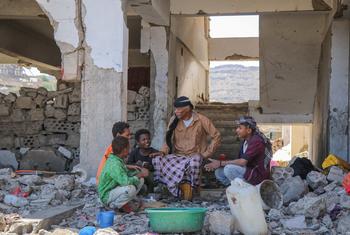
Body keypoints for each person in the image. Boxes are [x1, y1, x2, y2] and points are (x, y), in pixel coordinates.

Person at [152, 96, 221, 200]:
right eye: (175, 109)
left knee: (195, 160)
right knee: (157, 159)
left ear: (188, 108)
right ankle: (168, 189)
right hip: (178, 156)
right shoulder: (174, 119)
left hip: (195, 156)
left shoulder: (201, 119)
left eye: (179, 109)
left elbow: (216, 136)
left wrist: (206, 154)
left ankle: (194, 191)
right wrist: (162, 152)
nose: (176, 111)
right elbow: (168, 138)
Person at [205, 116, 272, 186]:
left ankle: (245, 189)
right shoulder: (246, 141)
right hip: (248, 171)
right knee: (219, 172)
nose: (237, 130)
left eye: (240, 128)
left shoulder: (256, 141)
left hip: (258, 176)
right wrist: (219, 165)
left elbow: (242, 162)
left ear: (249, 130)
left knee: (228, 169)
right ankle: (235, 188)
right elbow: (240, 162)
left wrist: (220, 163)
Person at [98, 136, 149, 212]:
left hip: (115, 189)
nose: (129, 150)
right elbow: (126, 182)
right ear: (124, 150)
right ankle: (113, 206)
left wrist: (138, 171)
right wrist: (140, 174)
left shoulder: (118, 160)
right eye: (128, 148)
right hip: (107, 195)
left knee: (140, 180)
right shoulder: (114, 164)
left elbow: (126, 174)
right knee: (131, 188)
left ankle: (125, 202)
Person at [127, 129, 159, 193]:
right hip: (139, 179)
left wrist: (149, 167)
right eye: (143, 140)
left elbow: (158, 169)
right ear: (138, 142)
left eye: (148, 139)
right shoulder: (134, 152)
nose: (147, 141)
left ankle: (150, 191)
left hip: (152, 180)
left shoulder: (155, 152)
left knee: (146, 172)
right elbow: (128, 165)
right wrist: (136, 165)